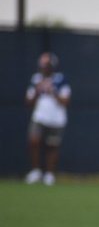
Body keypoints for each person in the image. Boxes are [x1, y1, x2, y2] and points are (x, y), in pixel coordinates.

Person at [25, 51, 71, 186]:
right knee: (34, 141)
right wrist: (39, 90)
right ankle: (35, 171)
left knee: (53, 145)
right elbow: (28, 102)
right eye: (43, 65)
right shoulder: (36, 79)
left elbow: (65, 101)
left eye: (47, 65)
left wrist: (52, 91)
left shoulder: (60, 79)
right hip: (39, 117)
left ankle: (49, 174)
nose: (44, 68)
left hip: (56, 119)